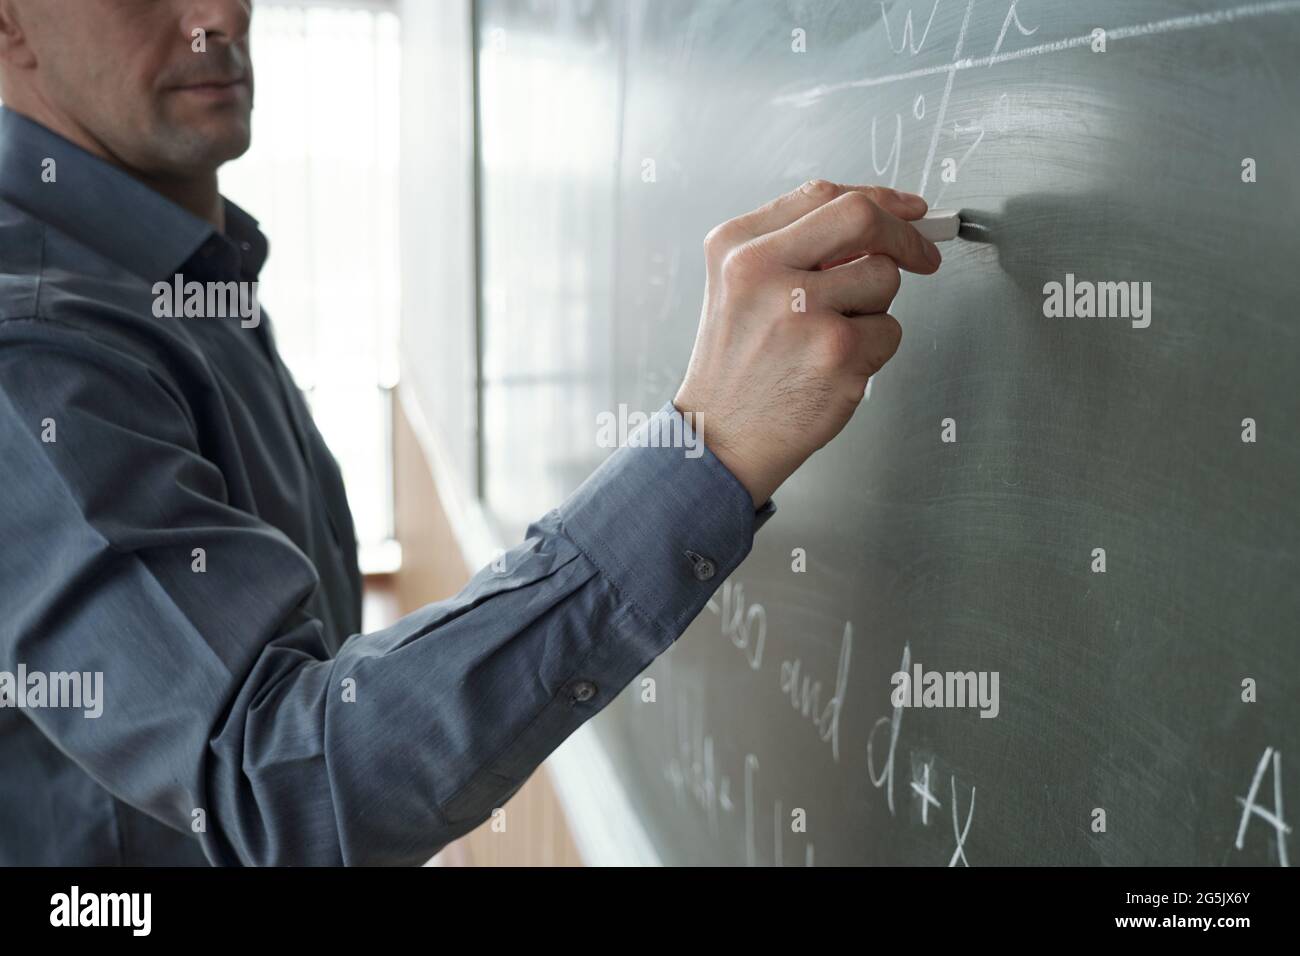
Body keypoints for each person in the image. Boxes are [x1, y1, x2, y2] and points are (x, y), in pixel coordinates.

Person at [0, 0, 941, 865]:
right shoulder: (37, 347)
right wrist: (710, 450)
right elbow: (272, 786)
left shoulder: (169, 267)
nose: (219, 14)